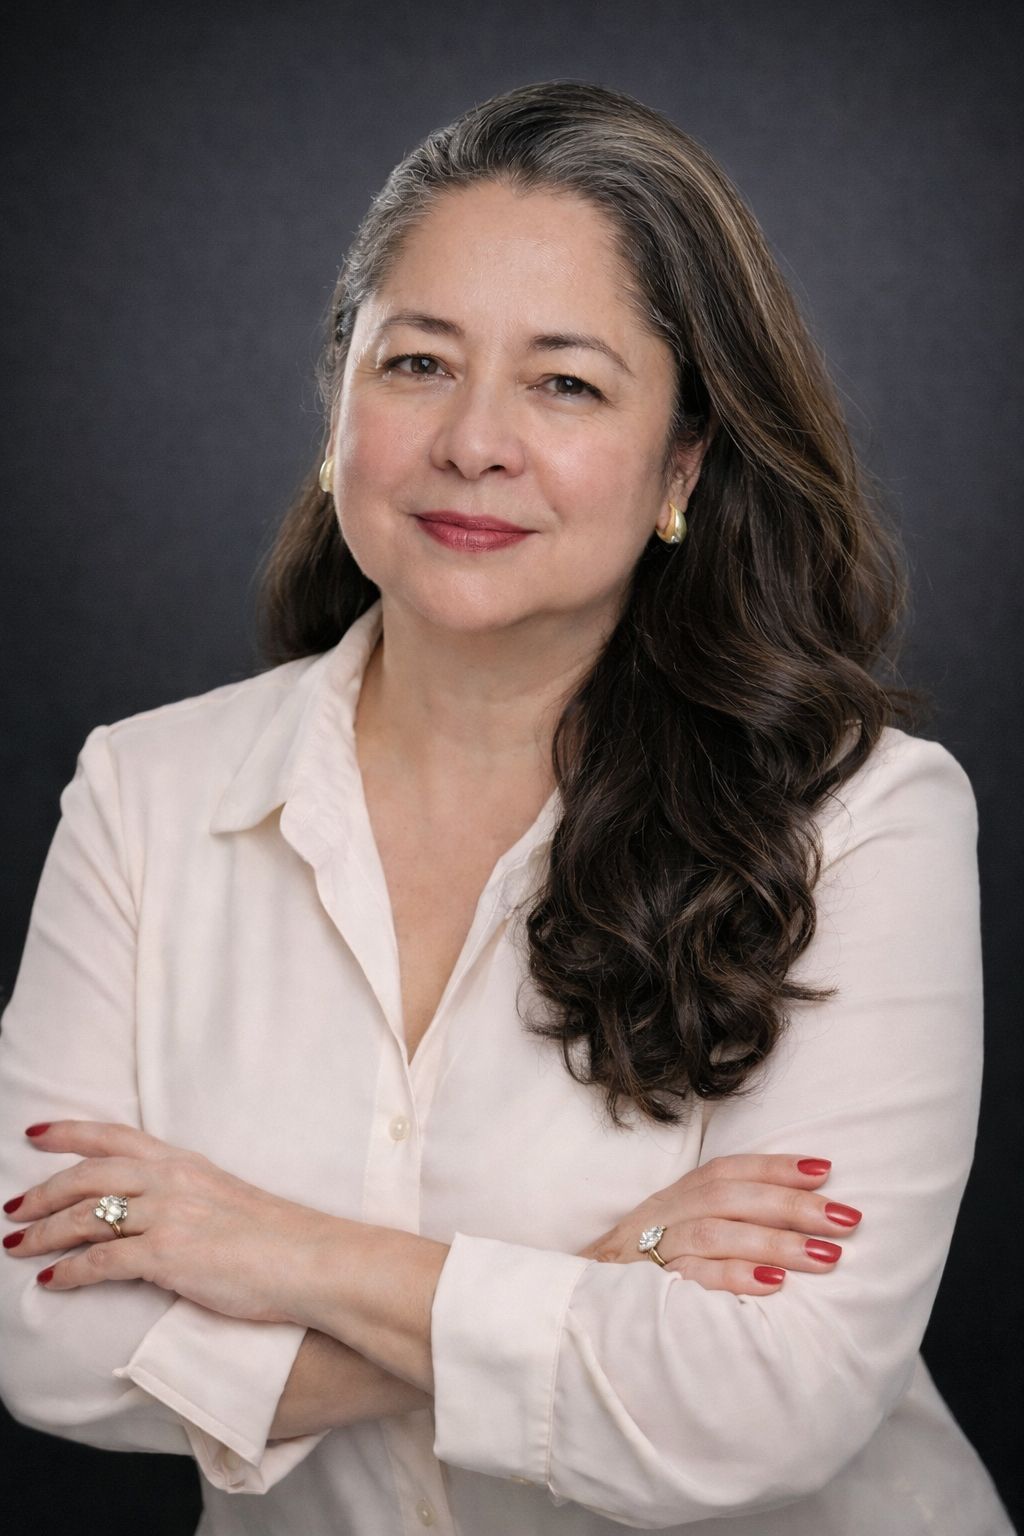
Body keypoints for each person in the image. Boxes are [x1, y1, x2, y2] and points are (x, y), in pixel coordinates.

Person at [0, 80, 1012, 1536]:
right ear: (338, 404)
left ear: (682, 464)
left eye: (566, 384)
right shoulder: (141, 793)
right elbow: (40, 1336)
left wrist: (274, 1251)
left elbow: (765, 1403)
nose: (474, 442)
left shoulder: (862, 820)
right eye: (417, 363)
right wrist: (595, 1276)